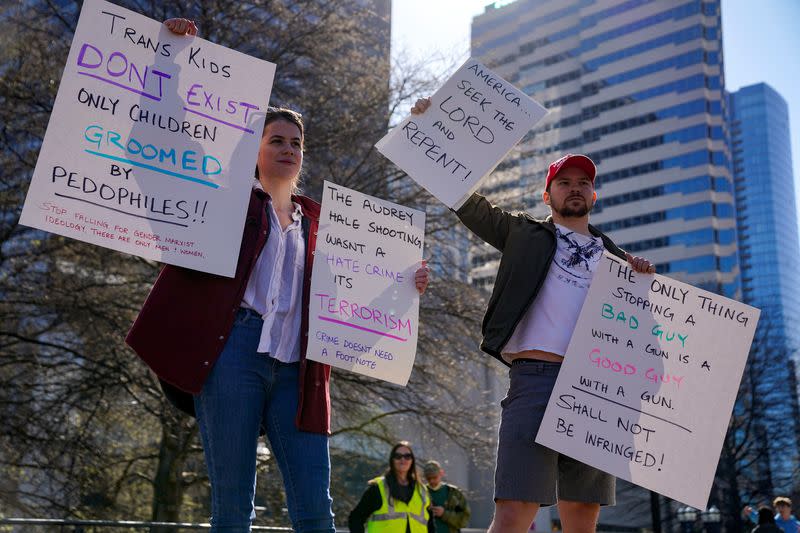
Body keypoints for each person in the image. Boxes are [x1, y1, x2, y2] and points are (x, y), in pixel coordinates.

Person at [126, 19, 430, 533]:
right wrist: (168, 57)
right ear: (256, 148)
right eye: (277, 139)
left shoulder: (324, 223)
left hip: (301, 370)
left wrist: (405, 287)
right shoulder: (225, 202)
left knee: (316, 509)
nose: (288, 148)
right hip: (232, 357)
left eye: (296, 142)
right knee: (232, 506)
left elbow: (354, 287)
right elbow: (156, 140)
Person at [409, 98, 656, 533]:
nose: (574, 188)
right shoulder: (522, 233)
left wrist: (641, 279)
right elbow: (463, 200)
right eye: (564, 182)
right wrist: (428, 128)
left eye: (583, 182)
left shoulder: (617, 259)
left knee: (582, 518)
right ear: (548, 195)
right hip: (534, 379)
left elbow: (645, 336)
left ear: (594, 195)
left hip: (595, 387)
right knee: (514, 513)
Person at [348, 442, 433, 533]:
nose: (403, 459)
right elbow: (355, 518)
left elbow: (431, 526)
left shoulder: (422, 491)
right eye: (398, 456)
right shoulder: (378, 488)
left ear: (412, 460)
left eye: (407, 456)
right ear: (392, 460)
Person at [422, 460, 470, 533]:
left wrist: (444, 514)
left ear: (441, 473)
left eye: (434, 477)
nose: (431, 481)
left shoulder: (454, 493)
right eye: (428, 478)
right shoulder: (421, 492)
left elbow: (464, 520)